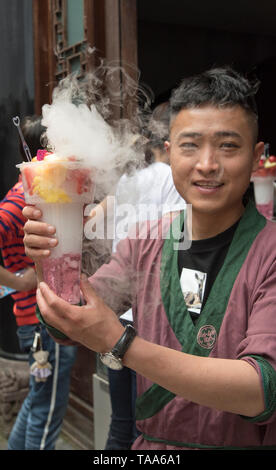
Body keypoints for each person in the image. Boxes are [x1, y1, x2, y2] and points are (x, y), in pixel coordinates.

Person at [23, 67, 276, 450]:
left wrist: (119, 342)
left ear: (257, 156)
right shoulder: (147, 240)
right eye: (190, 145)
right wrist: (52, 256)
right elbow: (66, 321)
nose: (207, 163)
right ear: (169, 152)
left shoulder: (269, 250)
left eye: (228, 145)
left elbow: (261, 390)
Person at [102, 102, 186, 449]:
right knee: (153, 426)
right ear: (170, 141)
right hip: (153, 322)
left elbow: (113, 240)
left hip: (120, 315)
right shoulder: (170, 178)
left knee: (122, 423)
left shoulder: (126, 179)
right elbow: (179, 244)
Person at [1, 115, 77, 450]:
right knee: (47, 412)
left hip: (32, 319)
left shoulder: (31, 195)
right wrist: (20, 282)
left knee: (37, 402)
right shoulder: (19, 203)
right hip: (40, 320)